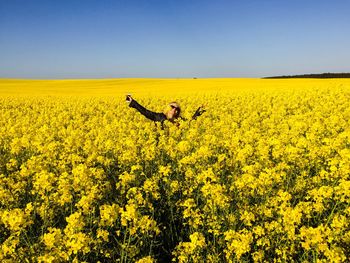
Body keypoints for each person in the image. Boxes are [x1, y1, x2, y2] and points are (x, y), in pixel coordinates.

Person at [126, 95, 205, 126]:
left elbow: (191, 120)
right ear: (168, 107)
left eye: (177, 109)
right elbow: (145, 111)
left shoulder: (180, 120)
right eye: (172, 107)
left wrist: (200, 110)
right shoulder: (158, 117)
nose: (174, 109)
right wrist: (133, 102)